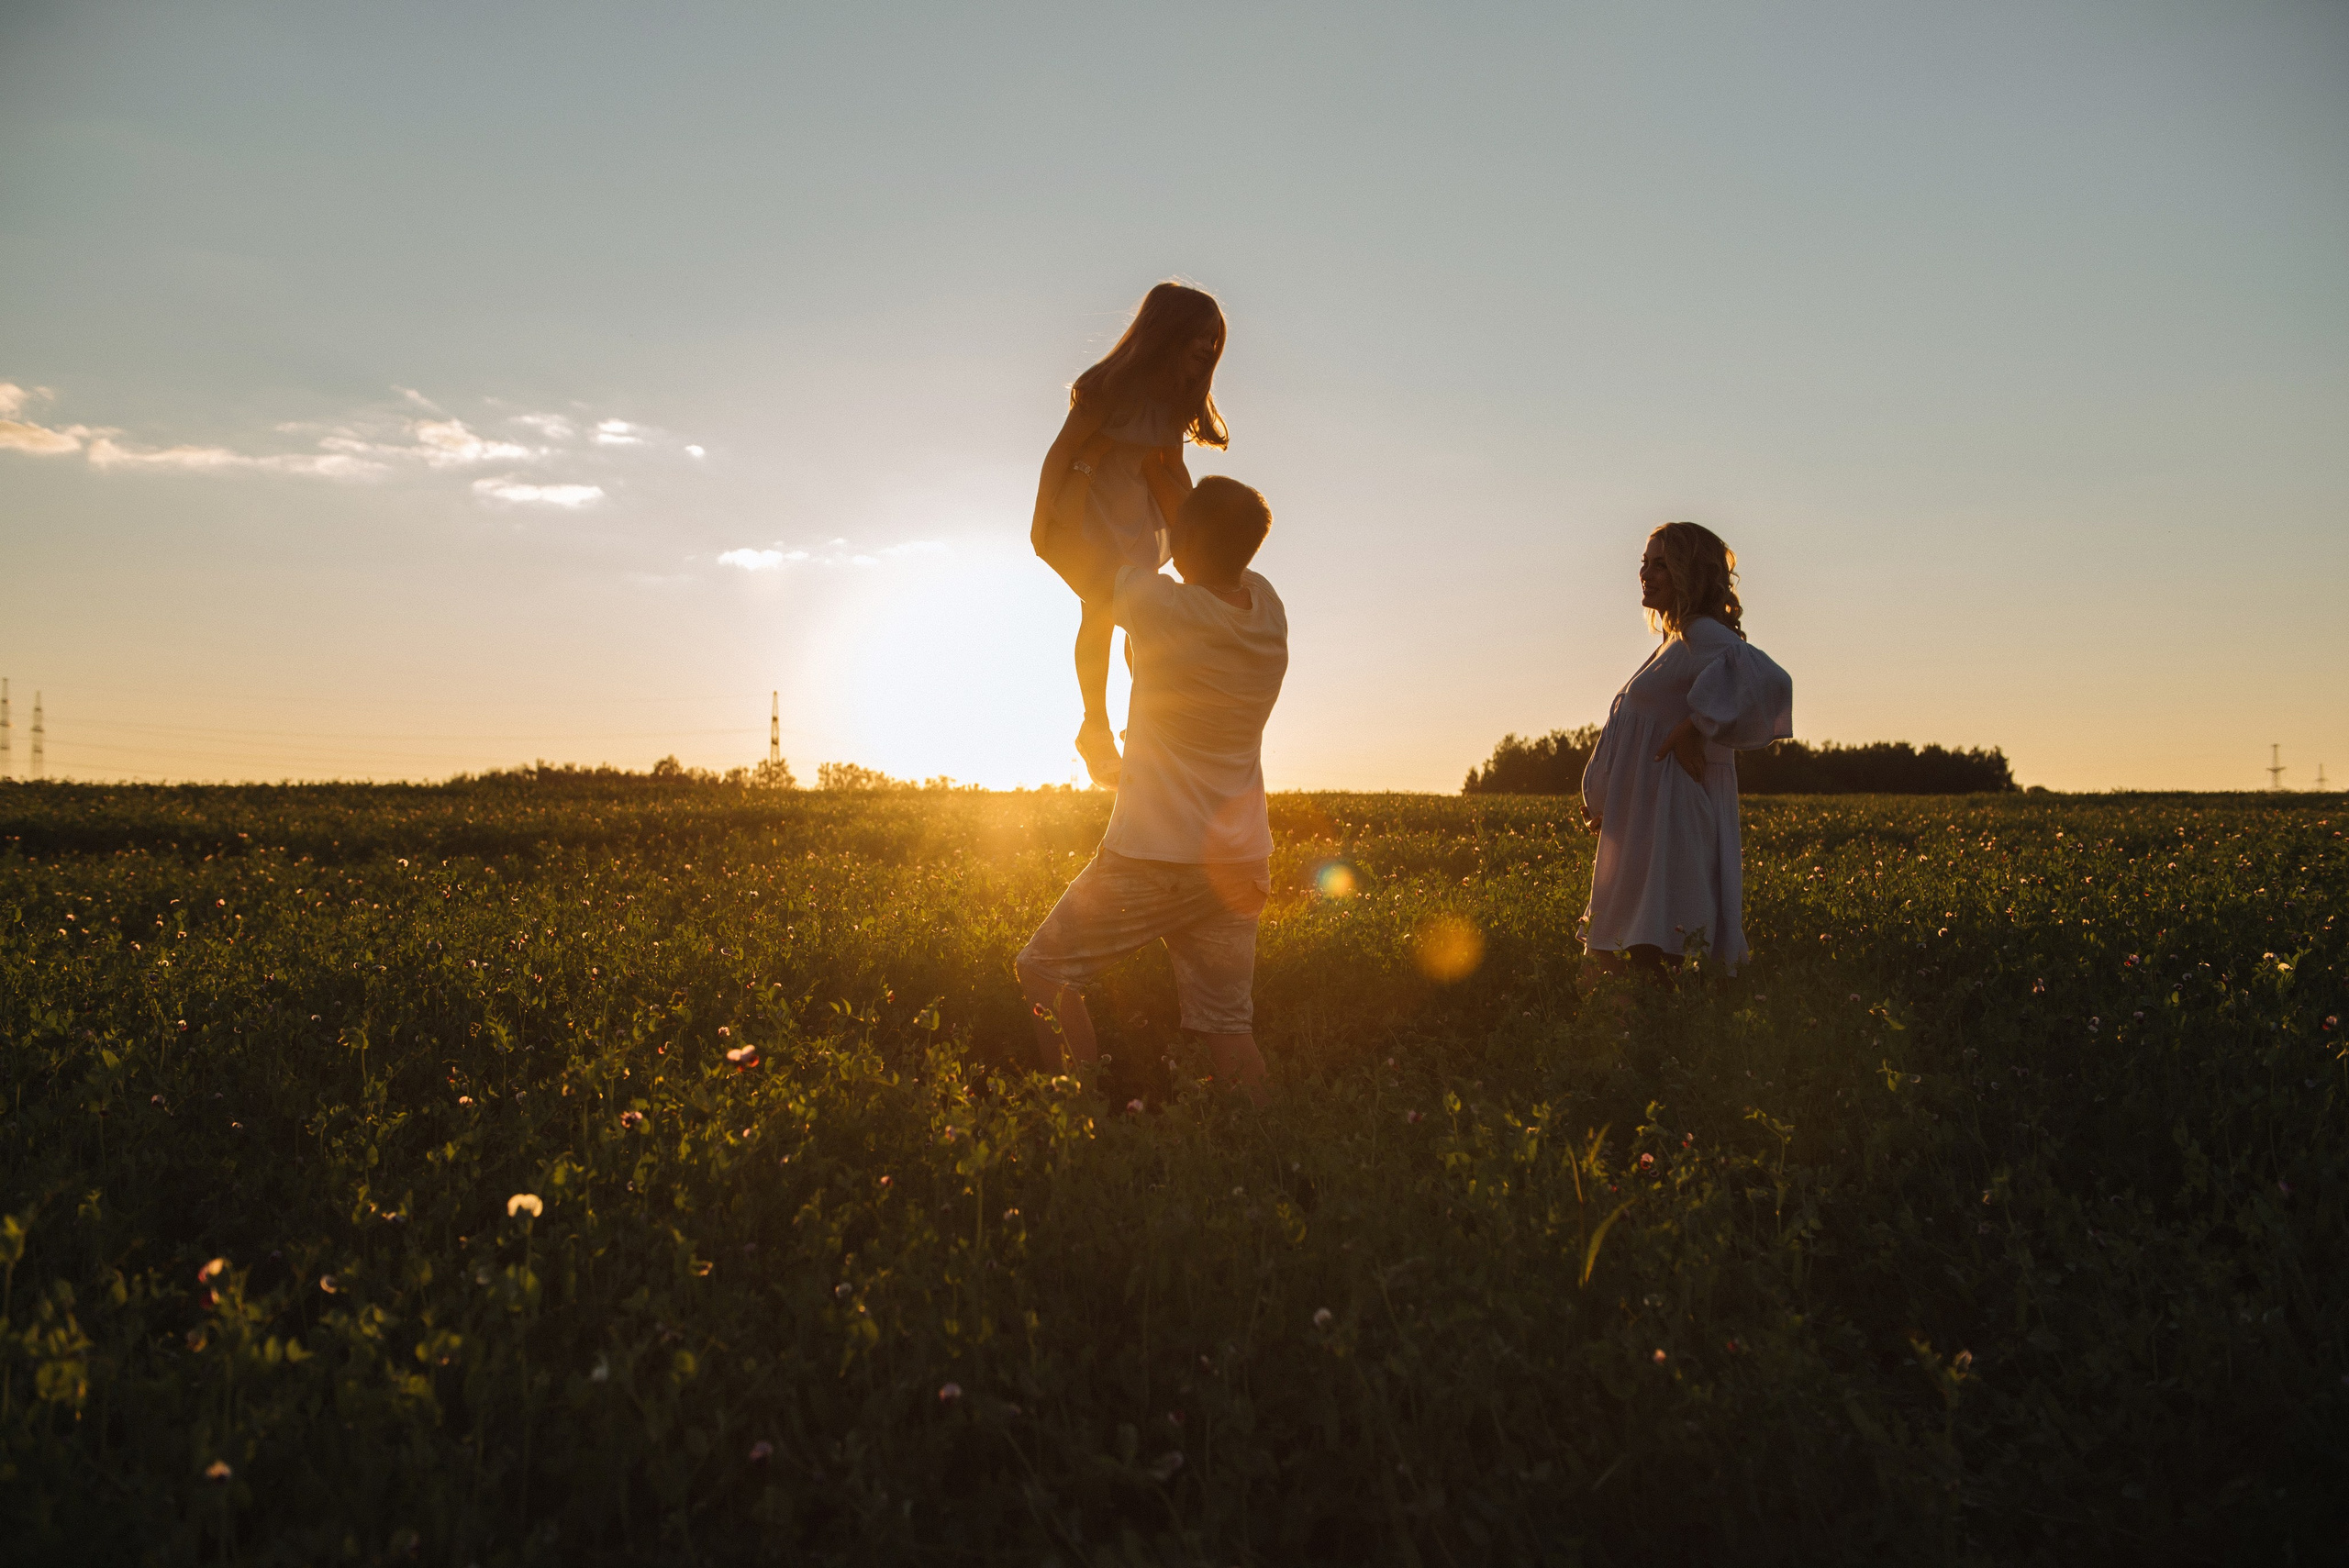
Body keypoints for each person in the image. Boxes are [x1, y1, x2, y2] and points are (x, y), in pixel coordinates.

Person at [1019, 436, 1286, 1100]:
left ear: (1185, 539)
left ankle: (1081, 1120)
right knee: (1229, 1030)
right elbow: (1204, 528)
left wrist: (1082, 455)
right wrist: (1167, 473)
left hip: (1155, 858)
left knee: (1043, 972)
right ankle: (1283, 1160)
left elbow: (1057, 549)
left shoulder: (1163, 608)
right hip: (1239, 861)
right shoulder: (1267, 611)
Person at [1030, 282, 1230, 788]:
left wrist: (1192, 537)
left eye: (1214, 344)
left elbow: (1172, 470)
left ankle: (1145, 726)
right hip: (1087, 518)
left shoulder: (1175, 404)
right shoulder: (1108, 389)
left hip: (1136, 524)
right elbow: (1060, 450)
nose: (1208, 352)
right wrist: (1041, 519)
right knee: (1099, 612)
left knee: (1143, 624)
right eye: (1200, 340)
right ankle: (1094, 727)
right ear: (1168, 334)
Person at [1579, 521, 1792, 979]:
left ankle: (1649, 1049)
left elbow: (1771, 682)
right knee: (1619, 959)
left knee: (1643, 957)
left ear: (1689, 573)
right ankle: (1640, 1048)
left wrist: (1697, 725)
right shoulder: (1674, 642)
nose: (1646, 573)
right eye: (1644, 562)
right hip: (1643, 822)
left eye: (1662, 564)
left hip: (1671, 822)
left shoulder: (1704, 635)